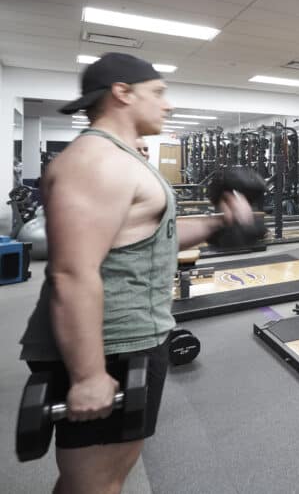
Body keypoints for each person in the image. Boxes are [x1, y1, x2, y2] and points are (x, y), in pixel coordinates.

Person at [18, 53, 254, 494]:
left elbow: (148, 233)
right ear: (122, 93)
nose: (167, 105)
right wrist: (88, 375)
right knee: (96, 483)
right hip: (111, 343)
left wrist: (221, 224)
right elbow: (72, 272)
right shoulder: (98, 162)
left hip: (130, 335)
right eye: (158, 93)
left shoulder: (118, 159)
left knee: (101, 477)